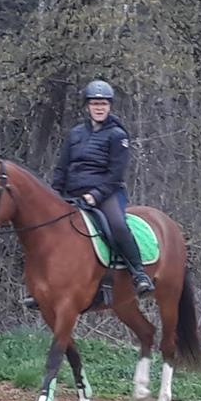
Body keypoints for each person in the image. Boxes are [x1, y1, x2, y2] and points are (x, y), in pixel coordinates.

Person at [24, 79, 154, 309]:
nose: (99, 107)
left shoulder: (117, 136)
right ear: (87, 106)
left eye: (103, 103)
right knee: (46, 232)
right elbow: (62, 167)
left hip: (107, 193)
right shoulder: (75, 134)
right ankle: (43, 288)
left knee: (116, 225)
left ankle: (139, 273)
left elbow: (116, 174)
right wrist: (54, 194)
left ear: (110, 106)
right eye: (95, 103)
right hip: (72, 193)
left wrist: (95, 195)